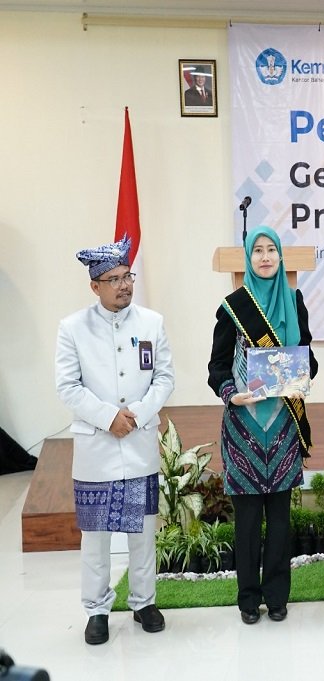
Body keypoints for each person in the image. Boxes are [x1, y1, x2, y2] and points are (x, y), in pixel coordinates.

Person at [55, 235, 174, 645]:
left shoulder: (152, 323)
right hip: (97, 449)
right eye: (114, 279)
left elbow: (164, 379)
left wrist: (136, 415)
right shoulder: (72, 328)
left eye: (128, 276)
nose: (125, 285)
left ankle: (144, 603)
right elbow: (68, 386)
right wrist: (108, 418)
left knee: (142, 532)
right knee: (97, 536)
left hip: (139, 443)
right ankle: (97, 610)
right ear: (95, 286)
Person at [207, 225, 317, 625]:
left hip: (284, 423)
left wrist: (299, 370)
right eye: (259, 251)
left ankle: (277, 595)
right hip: (243, 426)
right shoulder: (232, 307)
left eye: (272, 250)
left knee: (281, 520)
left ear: (280, 257)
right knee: (249, 522)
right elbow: (217, 366)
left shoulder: (294, 300)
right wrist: (230, 393)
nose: (266, 257)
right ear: (249, 259)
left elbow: (309, 358)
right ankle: (248, 599)